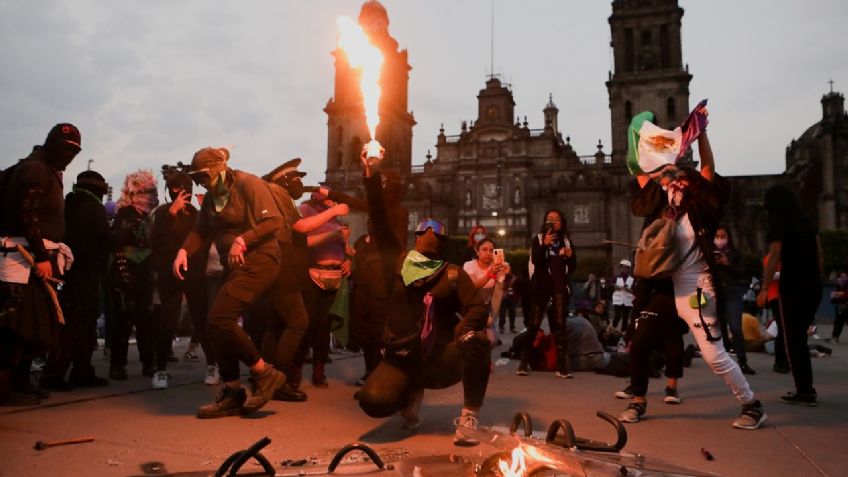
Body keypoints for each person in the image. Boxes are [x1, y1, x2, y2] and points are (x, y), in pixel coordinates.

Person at [620, 130, 766, 430]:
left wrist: (702, 135)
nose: (676, 182)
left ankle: (752, 405)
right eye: (673, 180)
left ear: (695, 186)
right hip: (663, 287)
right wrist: (641, 141)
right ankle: (638, 400)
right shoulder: (663, 210)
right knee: (640, 340)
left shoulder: (704, 209)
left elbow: (708, 169)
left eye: (684, 179)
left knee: (713, 354)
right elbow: (640, 170)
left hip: (696, 288)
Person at [356, 148, 490, 447]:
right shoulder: (398, 261)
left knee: (478, 342)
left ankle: (469, 415)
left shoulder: (453, 273)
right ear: (414, 237)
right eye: (422, 229)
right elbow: (378, 217)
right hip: (401, 358)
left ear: (443, 241)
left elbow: (478, 306)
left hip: (438, 358)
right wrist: (371, 174)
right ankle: (409, 393)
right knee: (372, 401)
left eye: (435, 230)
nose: (428, 232)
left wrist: (463, 329)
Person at [174, 147, 286, 418]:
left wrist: (242, 239)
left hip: (260, 259)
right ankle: (233, 392)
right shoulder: (212, 197)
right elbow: (201, 230)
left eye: (203, 175)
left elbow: (274, 221)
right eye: (196, 178)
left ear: (218, 168)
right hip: (234, 264)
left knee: (220, 320)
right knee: (216, 327)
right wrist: (182, 251)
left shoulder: (248, 183)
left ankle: (264, 373)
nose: (201, 181)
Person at [1, 123, 81, 405]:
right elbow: (27, 214)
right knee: (19, 330)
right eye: (66, 149)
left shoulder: (43, 168)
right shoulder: (36, 169)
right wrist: (42, 257)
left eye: (75, 152)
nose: (70, 156)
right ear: (50, 144)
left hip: (30, 258)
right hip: (24, 261)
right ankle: (9, 386)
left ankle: (18, 382)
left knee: (33, 330)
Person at [40, 170, 112, 391]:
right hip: (87, 273)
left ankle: (81, 370)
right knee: (78, 325)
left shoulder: (68, 205)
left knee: (78, 324)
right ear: (99, 190)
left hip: (68, 272)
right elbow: (104, 240)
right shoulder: (93, 209)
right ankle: (55, 373)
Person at [756, 184, 823, 407]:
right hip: (813, 284)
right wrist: (818, 278)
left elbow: (774, 256)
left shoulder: (780, 224)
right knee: (800, 338)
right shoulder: (806, 222)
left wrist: (765, 288)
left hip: (793, 286)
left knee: (793, 341)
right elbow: (819, 252)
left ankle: (804, 389)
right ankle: (805, 387)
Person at [149, 168, 212, 390]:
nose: (182, 192)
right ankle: (160, 369)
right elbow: (156, 243)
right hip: (170, 273)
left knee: (201, 319)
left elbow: (202, 241)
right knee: (168, 320)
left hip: (194, 272)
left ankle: (212, 365)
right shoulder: (163, 212)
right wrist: (171, 214)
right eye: (176, 188)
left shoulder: (196, 214)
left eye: (186, 188)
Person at [295, 190, 352, 388]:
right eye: (328, 196)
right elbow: (303, 242)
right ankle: (296, 371)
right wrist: (333, 232)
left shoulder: (335, 218)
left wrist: (348, 261)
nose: (332, 200)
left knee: (323, 326)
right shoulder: (306, 210)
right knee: (306, 324)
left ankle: (319, 371)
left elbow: (344, 249)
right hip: (313, 274)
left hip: (334, 277)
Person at [109, 170, 158, 381]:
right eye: (148, 191)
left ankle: (148, 364)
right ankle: (117, 366)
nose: (152, 196)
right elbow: (123, 243)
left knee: (145, 323)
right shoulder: (126, 213)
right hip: (126, 275)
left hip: (143, 276)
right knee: (123, 323)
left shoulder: (147, 215)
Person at [517, 209, 576, 378]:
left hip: (559, 289)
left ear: (562, 222)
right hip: (541, 289)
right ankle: (523, 362)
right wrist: (545, 245)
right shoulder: (539, 239)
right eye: (550, 219)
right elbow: (536, 260)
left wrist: (571, 256)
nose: (553, 222)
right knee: (534, 325)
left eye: (557, 219)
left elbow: (572, 267)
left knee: (560, 327)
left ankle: (562, 366)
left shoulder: (566, 241)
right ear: (545, 222)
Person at [713, 226, 755, 375]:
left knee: (736, 328)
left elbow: (741, 273)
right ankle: (722, 358)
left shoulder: (735, 254)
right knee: (718, 327)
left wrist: (728, 264)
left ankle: (742, 361)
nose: (719, 239)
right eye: (717, 235)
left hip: (732, 293)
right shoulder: (710, 253)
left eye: (722, 236)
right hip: (715, 294)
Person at [612, 260, 635, 332]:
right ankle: (612, 329)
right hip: (618, 300)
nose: (624, 269)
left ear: (629, 269)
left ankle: (623, 333)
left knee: (625, 318)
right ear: (621, 268)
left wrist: (629, 290)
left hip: (627, 301)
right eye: (623, 267)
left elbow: (634, 290)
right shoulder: (616, 277)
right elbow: (612, 285)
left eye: (626, 268)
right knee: (617, 317)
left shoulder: (632, 279)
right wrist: (619, 287)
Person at [826, 272, 848, 343]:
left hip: (845, 306)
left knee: (839, 322)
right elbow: (835, 297)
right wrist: (834, 297)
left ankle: (835, 337)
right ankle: (834, 337)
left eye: (844, 276)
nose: (842, 278)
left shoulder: (846, 285)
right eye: (841, 277)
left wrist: (839, 295)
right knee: (838, 322)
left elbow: (845, 295)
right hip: (840, 307)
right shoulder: (840, 285)